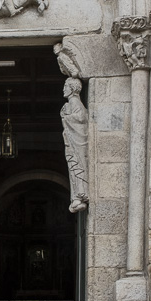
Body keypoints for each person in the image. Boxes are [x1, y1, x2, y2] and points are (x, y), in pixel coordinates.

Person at [60, 77, 89, 212]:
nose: (63, 89)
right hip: (73, 140)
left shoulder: (75, 102)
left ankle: (80, 195)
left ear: (72, 88)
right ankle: (77, 196)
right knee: (74, 168)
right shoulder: (72, 103)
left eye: (66, 86)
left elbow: (81, 118)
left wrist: (65, 116)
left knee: (77, 167)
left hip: (77, 142)